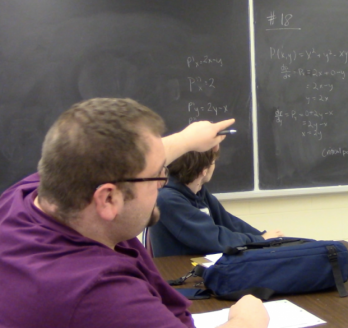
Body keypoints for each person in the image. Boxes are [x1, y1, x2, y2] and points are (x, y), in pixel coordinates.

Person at [0, 98, 269, 328]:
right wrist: (248, 319)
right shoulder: (99, 292)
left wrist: (188, 140)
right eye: (156, 175)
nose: (164, 182)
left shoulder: (23, 198)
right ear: (108, 199)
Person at [150, 147, 284, 257]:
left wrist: (263, 237)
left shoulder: (199, 191)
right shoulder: (167, 199)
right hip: (179, 274)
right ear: (203, 171)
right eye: (213, 162)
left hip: (203, 266)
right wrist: (259, 240)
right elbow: (213, 238)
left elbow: (229, 223)